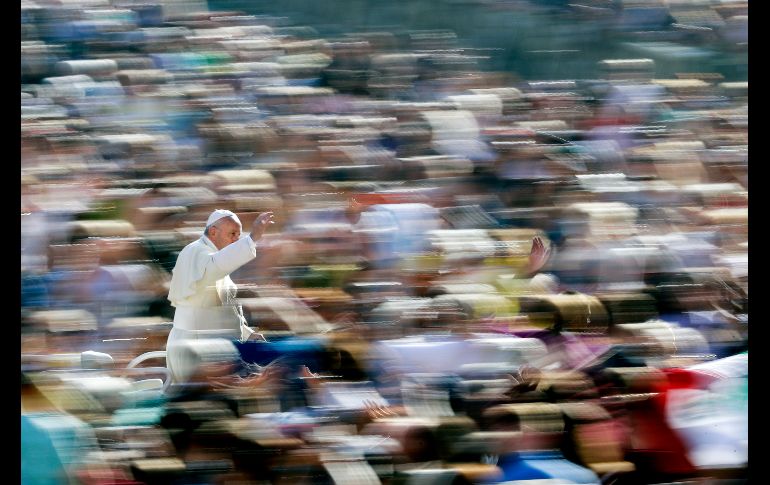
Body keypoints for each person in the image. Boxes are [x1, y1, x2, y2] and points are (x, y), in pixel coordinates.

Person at [165, 209, 274, 383]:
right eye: (232, 234)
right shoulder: (195, 251)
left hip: (216, 347)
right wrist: (251, 238)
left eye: (239, 235)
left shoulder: (215, 259)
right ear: (213, 232)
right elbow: (214, 267)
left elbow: (224, 311)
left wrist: (247, 334)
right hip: (194, 347)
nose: (236, 239)